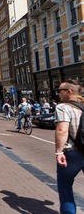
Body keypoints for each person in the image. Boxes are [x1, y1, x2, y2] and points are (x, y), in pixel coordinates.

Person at [54, 79, 84, 214]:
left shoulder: (63, 107)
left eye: (60, 91)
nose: (58, 93)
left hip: (73, 152)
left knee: (65, 184)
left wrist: (59, 152)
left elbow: (62, 130)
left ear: (69, 92)